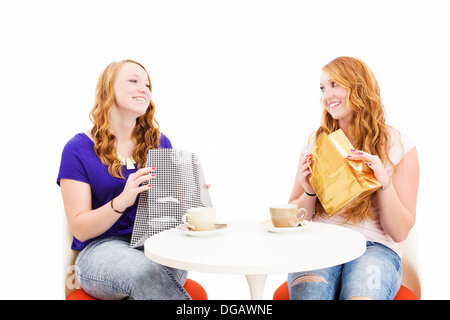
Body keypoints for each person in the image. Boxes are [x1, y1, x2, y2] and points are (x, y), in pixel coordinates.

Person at [288, 56, 419, 300]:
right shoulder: (316, 142)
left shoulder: (400, 146)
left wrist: (383, 183)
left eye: (335, 84)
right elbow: (293, 219)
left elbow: (399, 233)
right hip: (320, 242)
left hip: (374, 248)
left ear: (359, 87)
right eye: (323, 88)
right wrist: (309, 192)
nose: (327, 95)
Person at [57, 59, 190, 300]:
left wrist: (188, 198)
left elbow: (170, 218)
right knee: (146, 275)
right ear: (108, 88)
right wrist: (122, 201)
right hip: (100, 250)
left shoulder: (160, 144)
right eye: (133, 81)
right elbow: (80, 228)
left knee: (168, 266)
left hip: (154, 244)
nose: (144, 89)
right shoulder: (77, 149)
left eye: (148, 85)